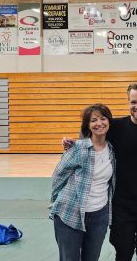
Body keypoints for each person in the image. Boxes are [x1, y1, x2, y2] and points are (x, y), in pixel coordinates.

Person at [63, 83, 137, 261]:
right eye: (133, 101)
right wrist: (74, 143)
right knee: (123, 254)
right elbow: (91, 133)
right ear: (128, 102)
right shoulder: (117, 126)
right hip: (122, 206)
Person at [49, 103, 116, 261]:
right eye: (93, 120)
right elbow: (58, 176)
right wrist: (58, 200)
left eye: (103, 118)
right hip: (70, 214)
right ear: (87, 125)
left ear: (109, 121)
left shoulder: (113, 150)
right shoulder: (78, 148)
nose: (99, 123)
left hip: (100, 216)